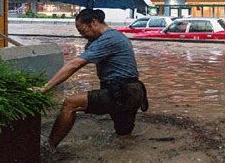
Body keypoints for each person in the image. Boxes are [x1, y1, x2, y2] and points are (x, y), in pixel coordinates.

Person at [36, 9, 148, 152]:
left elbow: (75, 64)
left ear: (94, 22)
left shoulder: (108, 39)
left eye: (82, 31)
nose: (82, 36)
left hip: (121, 92)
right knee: (123, 138)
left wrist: (46, 88)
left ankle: (49, 148)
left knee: (70, 104)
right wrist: (90, 43)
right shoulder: (115, 36)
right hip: (133, 91)